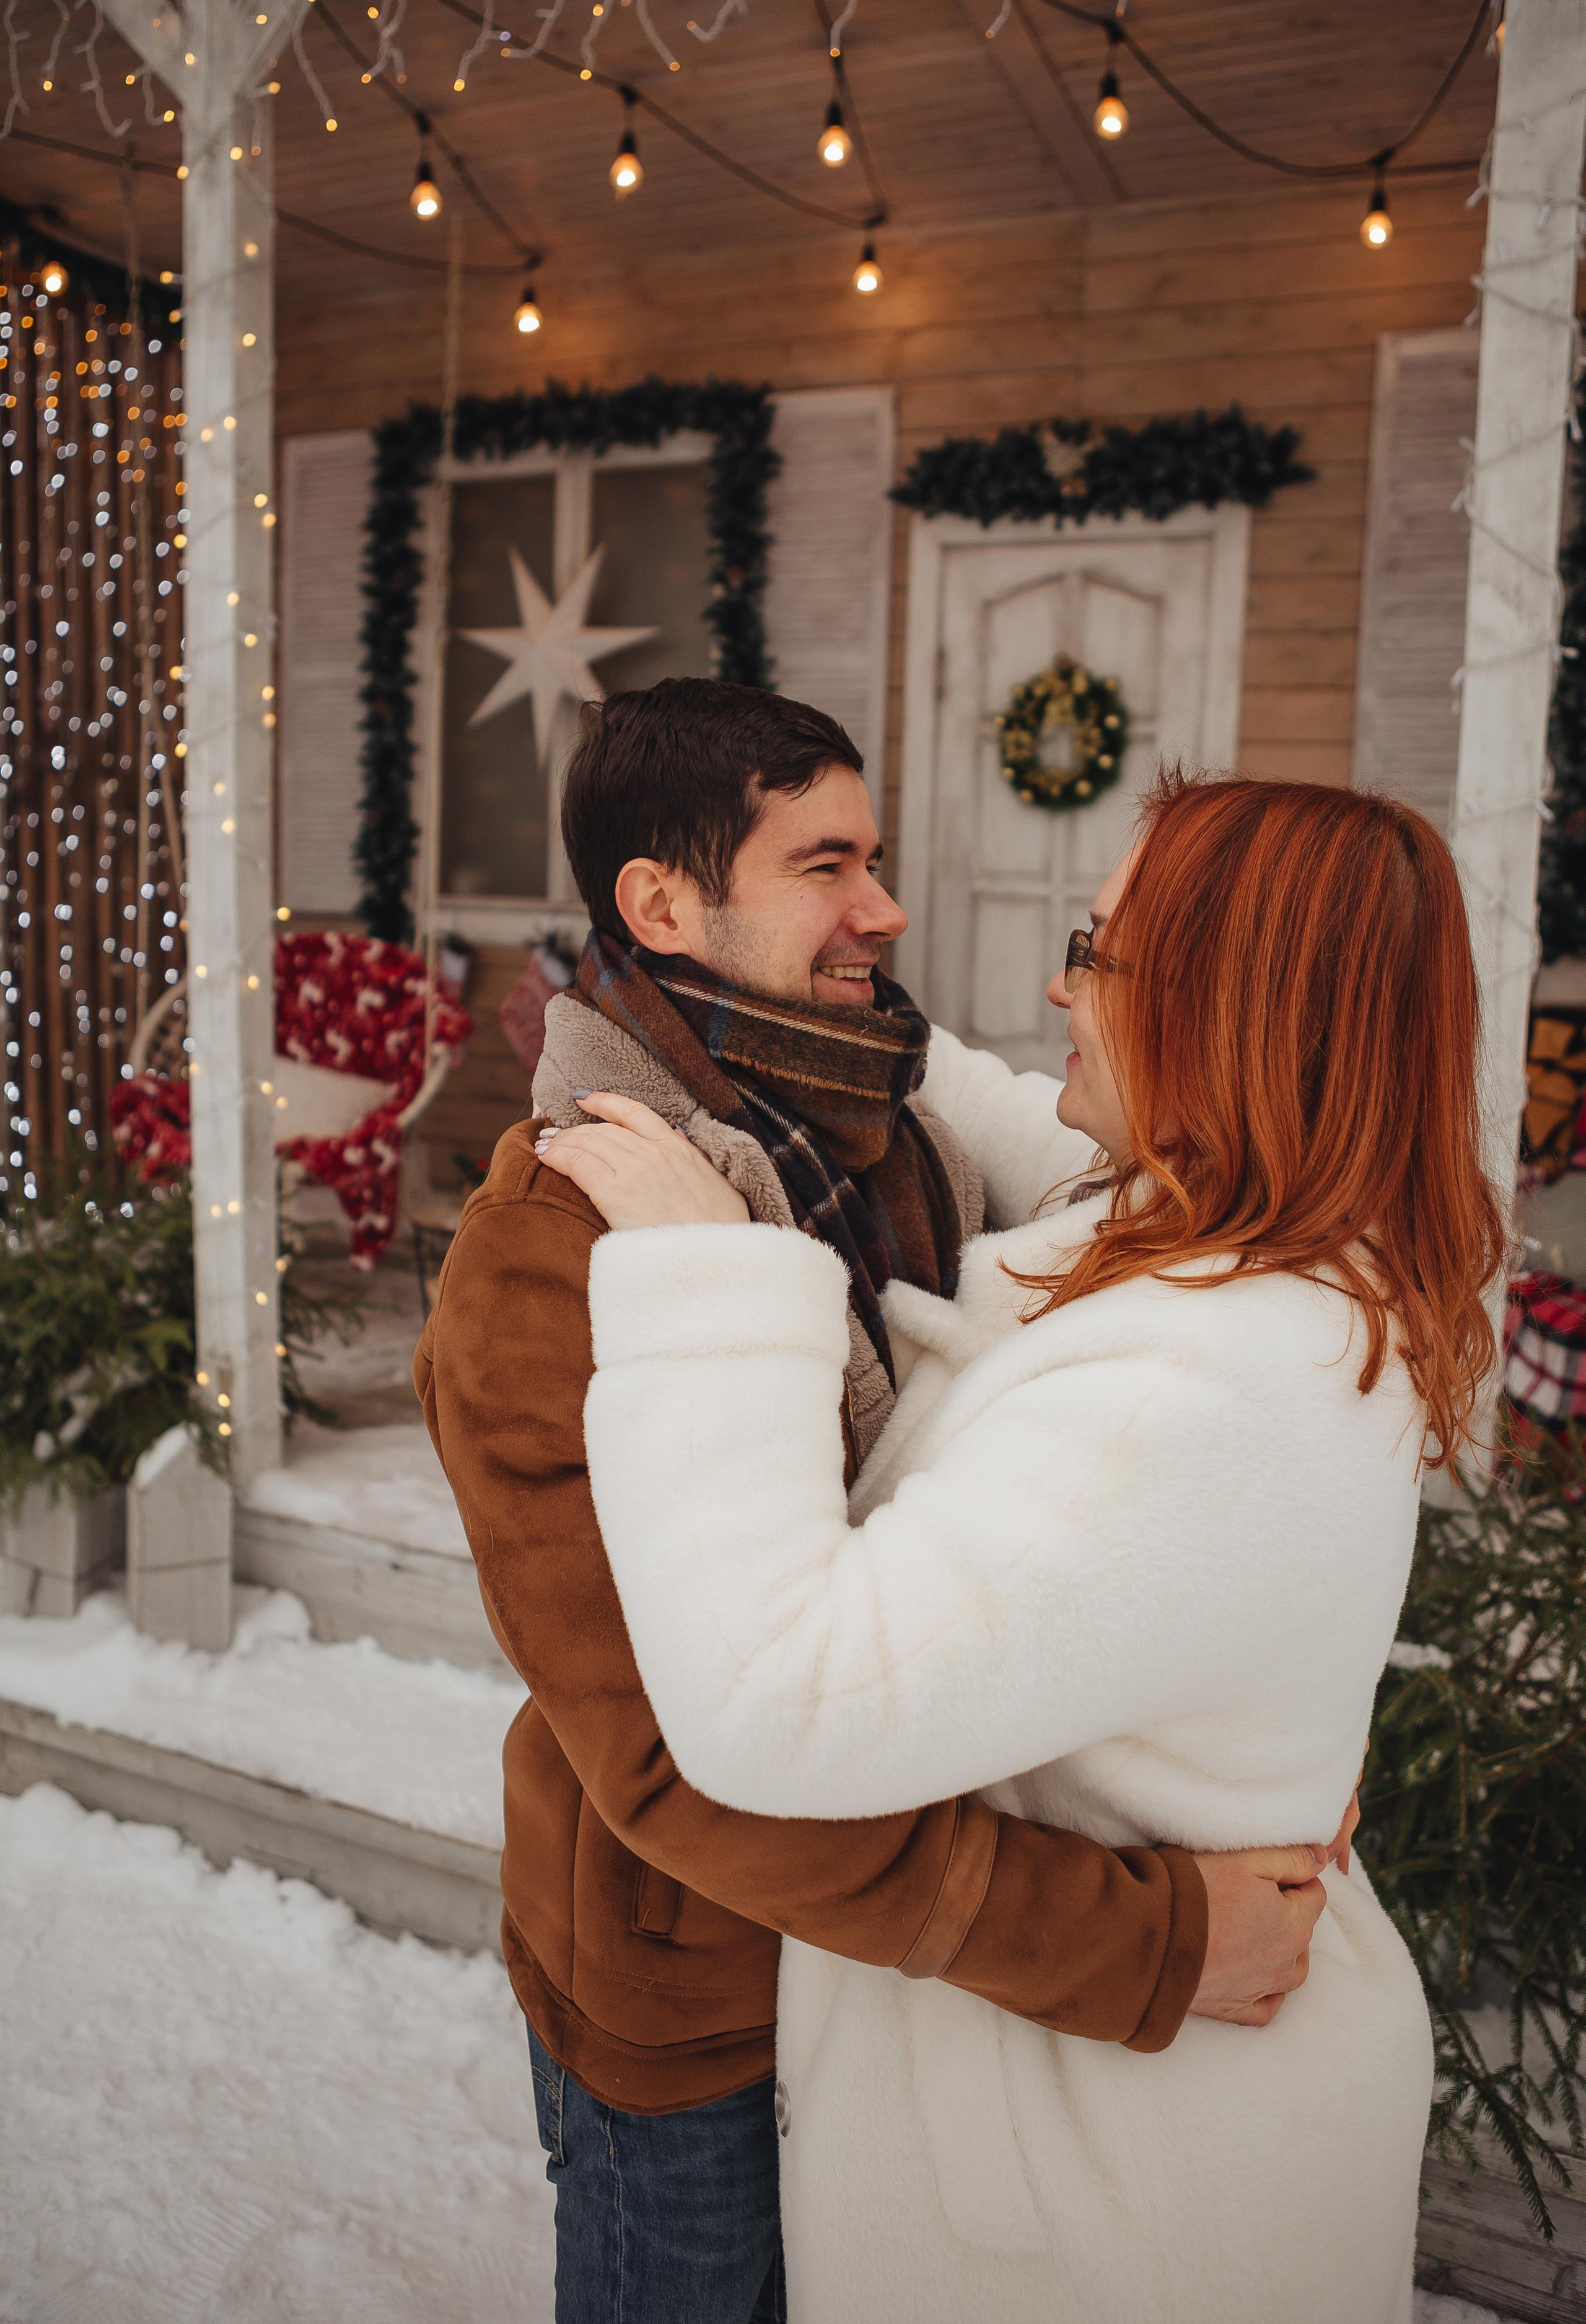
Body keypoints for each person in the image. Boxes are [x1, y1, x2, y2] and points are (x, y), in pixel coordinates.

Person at [418, 691, 1343, 2324]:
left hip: (908, 2006)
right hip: (704, 2005)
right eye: (825, 864)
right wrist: (1140, 1945)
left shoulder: (902, 1139)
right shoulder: (559, 1245)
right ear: (661, 906)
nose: (886, 910)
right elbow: (668, 1758)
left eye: (880, 859)